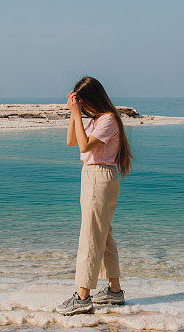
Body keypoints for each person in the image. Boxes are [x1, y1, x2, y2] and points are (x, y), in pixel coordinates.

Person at [54, 76, 133, 316]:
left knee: (90, 237)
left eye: (83, 102)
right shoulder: (96, 119)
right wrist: (73, 113)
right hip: (91, 176)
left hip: (100, 177)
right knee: (104, 236)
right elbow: (71, 141)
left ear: (93, 99)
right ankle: (114, 291)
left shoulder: (108, 119)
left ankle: (83, 296)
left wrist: (78, 114)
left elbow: (85, 147)